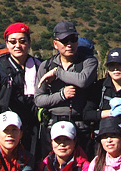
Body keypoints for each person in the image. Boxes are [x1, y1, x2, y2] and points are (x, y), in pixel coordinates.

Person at [35, 21, 99, 150]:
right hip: (53, 126)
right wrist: (62, 95)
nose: (69, 44)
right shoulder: (46, 66)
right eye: (64, 41)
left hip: (81, 126)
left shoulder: (88, 62)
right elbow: (38, 99)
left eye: (73, 39)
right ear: (55, 44)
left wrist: (57, 73)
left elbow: (83, 80)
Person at [0, 22, 42, 159]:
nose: (17, 45)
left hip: (34, 128)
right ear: (7, 43)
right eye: (12, 41)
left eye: (22, 41)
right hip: (8, 127)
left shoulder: (39, 66)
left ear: (29, 42)